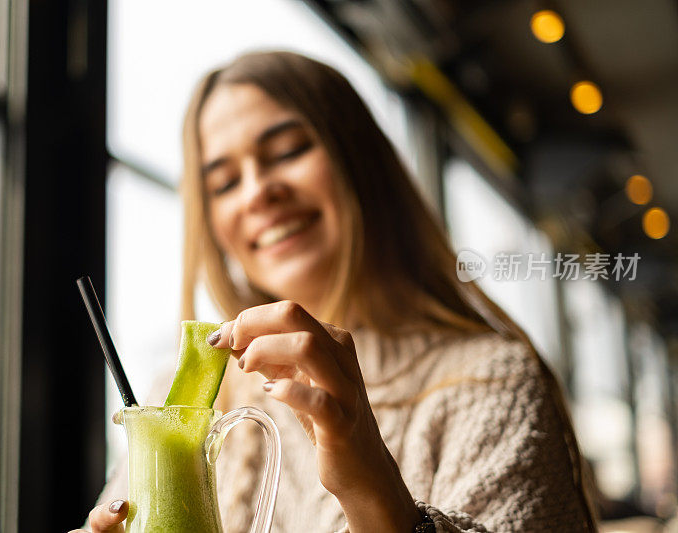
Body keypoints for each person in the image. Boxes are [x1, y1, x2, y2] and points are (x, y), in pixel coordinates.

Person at [73, 51, 597, 532]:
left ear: (362, 163)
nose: (257, 191)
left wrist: (375, 494)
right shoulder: (184, 397)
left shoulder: (492, 382)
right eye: (225, 183)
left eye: (287, 151)